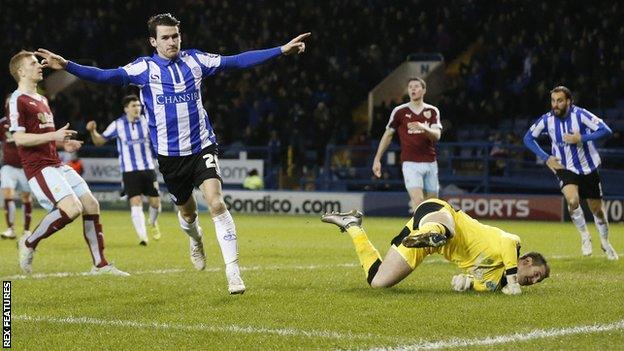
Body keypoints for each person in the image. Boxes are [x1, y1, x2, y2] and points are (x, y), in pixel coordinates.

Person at [36, 13, 309, 294]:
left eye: (175, 36)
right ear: (153, 41)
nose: (172, 42)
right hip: (170, 157)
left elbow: (236, 61)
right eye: (165, 38)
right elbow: (107, 75)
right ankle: (196, 239)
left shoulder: (196, 60)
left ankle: (233, 271)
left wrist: (281, 50)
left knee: (215, 203)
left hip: (202, 145)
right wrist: (68, 65)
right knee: (188, 214)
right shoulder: (144, 69)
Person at [8, 50, 128, 276]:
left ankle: (100, 265)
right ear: (21, 71)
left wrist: (63, 145)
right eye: (33, 63)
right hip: (39, 168)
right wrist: (54, 137)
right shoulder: (17, 100)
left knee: (91, 205)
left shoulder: (42, 99)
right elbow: (19, 138)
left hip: (55, 162)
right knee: (72, 209)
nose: (40, 65)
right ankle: (29, 242)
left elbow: (44, 137)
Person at [321, 198, 550, 294]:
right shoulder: (512, 244)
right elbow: (509, 243)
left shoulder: (493, 284)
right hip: (439, 213)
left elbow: (479, 283)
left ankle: (352, 225)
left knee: (378, 282)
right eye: (536, 274)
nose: (535, 280)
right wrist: (512, 281)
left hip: (428, 244)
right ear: (527, 261)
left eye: (539, 280)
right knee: (446, 230)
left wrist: (466, 283)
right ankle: (431, 234)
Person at [523, 86, 618, 260]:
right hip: (565, 168)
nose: (555, 105)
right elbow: (527, 138)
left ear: (568, 101)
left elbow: (606, 130)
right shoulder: (547, 120)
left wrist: (581, 138)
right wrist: (546, 157)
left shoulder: (581, 115)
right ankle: (584, 236)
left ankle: (605, 242)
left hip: (588, 168)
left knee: (597, 211)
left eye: (559, 101)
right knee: (573, 200)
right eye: (553, 100)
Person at [86, 95, 163, 246]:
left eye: (139, 106)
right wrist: (93, 131)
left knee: (155, 203)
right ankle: (143, 237)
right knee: (136, 201)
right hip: (129, 171)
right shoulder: (118, 124)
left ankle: (153, 223)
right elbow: (99, 141)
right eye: (134, 106)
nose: (137, 108)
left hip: (148, 168)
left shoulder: (147, 122)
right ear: (126, 109)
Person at [372, 78, 442, 213]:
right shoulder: (400, 111)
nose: (413, 89)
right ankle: (418, 232)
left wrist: (424, 128)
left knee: (433, 204)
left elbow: (437, 135)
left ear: (424, 90)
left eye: (416, 86)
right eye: (410, 87)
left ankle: (430, 232)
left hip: (430, 162)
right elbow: (388, 135)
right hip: (410, 163)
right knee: (418, 200)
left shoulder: (432, 111)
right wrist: (377, 158)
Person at [0, 96, 33, 239]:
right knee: (8, 194)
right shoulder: (2, 123)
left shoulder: (27, 121)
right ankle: (10, 229)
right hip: (8, 165)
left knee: (26, 196)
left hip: (25, 165)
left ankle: (26, 230)